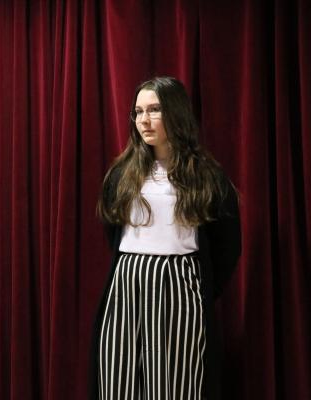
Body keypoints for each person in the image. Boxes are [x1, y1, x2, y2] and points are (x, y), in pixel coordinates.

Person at [90, 77, 241, 400]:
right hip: (127, 285)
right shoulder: (122, 174)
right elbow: (111, 230)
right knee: (119, 379)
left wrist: (197, 289)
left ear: (175, 112)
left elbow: (228, 245)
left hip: (180, 288)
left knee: (175, 384)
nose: (144, 120)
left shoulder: (206, 177)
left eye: (154, 110)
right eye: (138, 112)